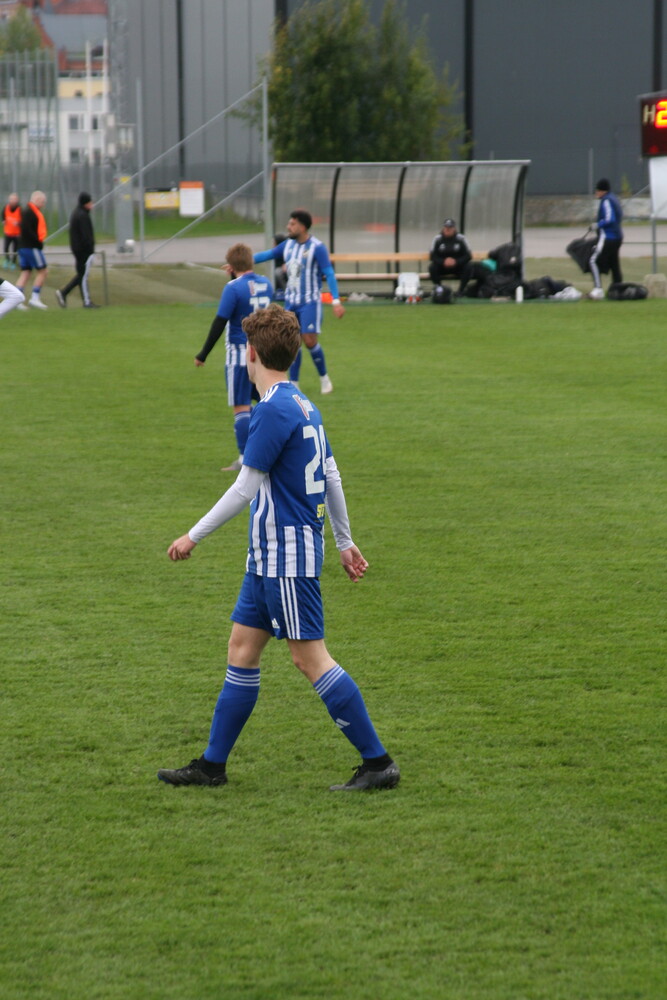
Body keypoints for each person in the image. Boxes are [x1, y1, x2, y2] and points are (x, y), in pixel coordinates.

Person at [159, 304, 399, 793]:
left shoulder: (270, 410)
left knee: (310, 659)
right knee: (242, 649)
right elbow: (331, 475)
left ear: (251, 353)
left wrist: (192, 535)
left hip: (286, 558)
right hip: (267, 559)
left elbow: (245, 488)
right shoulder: (304, 403)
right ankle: (212, 766)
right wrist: (345, 542)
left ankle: (378, 763)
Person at [194, 242, 273, 471]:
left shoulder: (232, 288)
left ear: (230, 265)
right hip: (261, 354)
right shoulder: (266, 283)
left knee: (241, 406)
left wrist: (203, 354)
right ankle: (271, 450)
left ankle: (244, 459)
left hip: (238, 356)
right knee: (263, 404)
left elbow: (220, 321)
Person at [253, 209, 344, 394]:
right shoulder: (287, 245)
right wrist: (240, 262)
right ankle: (294, 383)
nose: (288, 227)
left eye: (292, 224)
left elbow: (329, 273)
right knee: (291, 342)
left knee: (309, 340)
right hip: (291, 302)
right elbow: (266, 255)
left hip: (310, 302)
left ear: (302, 227)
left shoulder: (317, 247)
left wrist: (336, 300)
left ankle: (324, 378)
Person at [56, 192, 98, 309]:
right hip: (83, 252)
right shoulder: (82, 215)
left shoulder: (77, 213)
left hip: (79, 251)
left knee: (81, 275)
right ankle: (86, 302)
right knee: (83, 276)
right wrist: (90, 249)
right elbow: (86, 236)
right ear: (86, 203)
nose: (92, 204)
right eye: (90, 202)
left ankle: (64, 293)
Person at [589, 178, 623, 300]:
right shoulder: (614, 198)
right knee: (614, 263)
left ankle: (598, 289)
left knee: (593, 260)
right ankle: (618, 289)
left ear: (602, 191)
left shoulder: (606, 200)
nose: (596, 193)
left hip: (608, 237)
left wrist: (597, 225)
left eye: (597, 190)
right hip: (618, 237)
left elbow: (610, 218)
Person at [16, 190, 48, 310]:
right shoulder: (29, 212)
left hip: (23, 247)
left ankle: (16, 300)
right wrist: (38, 243)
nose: (43, 204)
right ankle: (35, 298)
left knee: (26, 272)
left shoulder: (27, 212)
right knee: (43, 271)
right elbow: (27, 230)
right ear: (37, 200)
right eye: (43, 202)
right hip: (30, 247)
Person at [428, 218, 472, 290]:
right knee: (432, 267)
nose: (447, 229)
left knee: (468, 267)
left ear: (454, 228)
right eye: (446, 227)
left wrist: (456, 262)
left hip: (457, 266)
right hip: (442, 266)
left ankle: (461, 291)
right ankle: (440, 289)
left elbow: (468, 256)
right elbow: (432, 256)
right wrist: (443, 262)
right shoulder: (437, 239)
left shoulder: (461, 239)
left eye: (450, 227)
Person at [2, 193, 22, 269]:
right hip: (8, 232)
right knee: (5, 248)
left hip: (17, 234)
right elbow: (3, 216)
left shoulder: (20, 209)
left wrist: (18, 223)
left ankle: (13, 262)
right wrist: (3, 221)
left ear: (17, 200)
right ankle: (7, 260)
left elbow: (23, 220)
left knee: (15, 249)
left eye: (14, 199)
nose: (13, 201)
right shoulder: (6, 208)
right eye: (11, 199)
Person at [272, 232, 287, 299]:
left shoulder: (286, 252)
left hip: (285, 275)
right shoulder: (274, 252)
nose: (273, 245)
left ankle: (287, 292)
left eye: (274, 243)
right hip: (277, 282)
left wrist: (287, 265)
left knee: (278, 272)